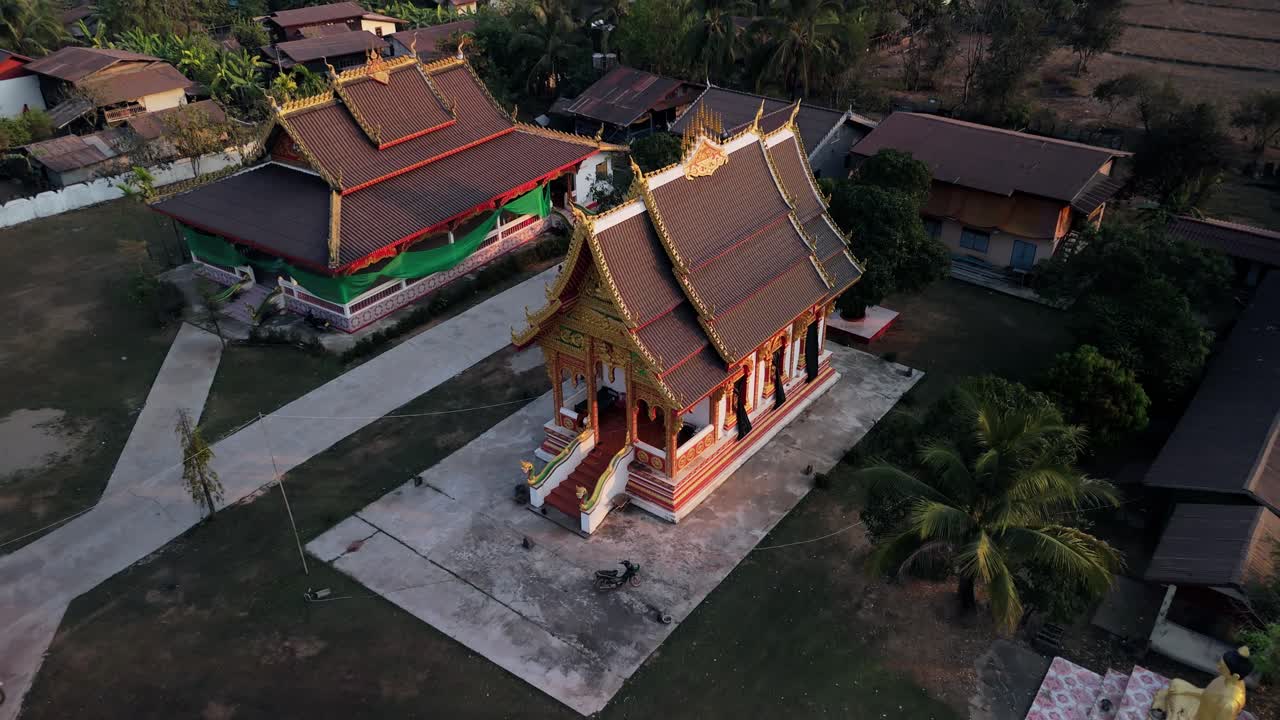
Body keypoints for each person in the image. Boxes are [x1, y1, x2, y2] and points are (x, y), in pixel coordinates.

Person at [1150, 646, 1251, 720]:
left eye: (1222, 667)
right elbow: (1208, 693)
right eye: (1220, 664)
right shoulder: (1225, 678)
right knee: (1176, 684)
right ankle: (1172, 712)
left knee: (1172, 701)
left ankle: (1170, 713)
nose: (1218, 667)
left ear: (1235, 676)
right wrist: (1185, 691)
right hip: (1197, 707)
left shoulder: (1230, 705)